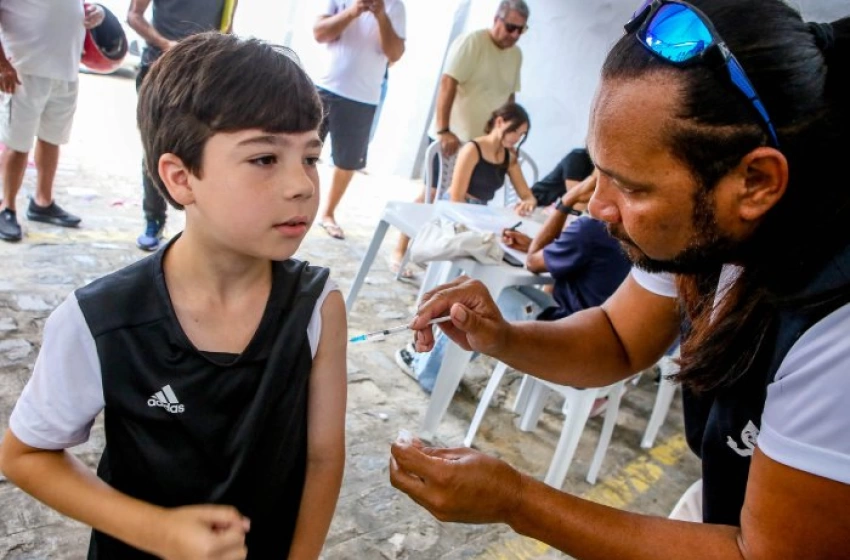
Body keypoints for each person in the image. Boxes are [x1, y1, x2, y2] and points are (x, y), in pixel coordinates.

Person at [390, 1, 850, 557]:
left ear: (755, 181)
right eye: (599, 173)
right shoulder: (709, 226)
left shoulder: (836, 330)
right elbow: (617, 335)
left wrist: (517, 502)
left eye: (631, 187)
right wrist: (502, 336)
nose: (600, 207)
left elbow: (759, 552)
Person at [0, 33, 347, 559]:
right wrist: (155, 531)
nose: (301, 185)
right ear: (181, 178)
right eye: (264, 159)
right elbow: (25, 454)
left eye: (311, 156)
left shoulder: (318, 307)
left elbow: (323, 458)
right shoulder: (101, 321)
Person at [397, 171, 631, 393]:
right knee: (507, 293)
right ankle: (434, 362)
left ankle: (429, 373)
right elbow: (559, 253)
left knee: (483, 297)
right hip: (596, 342)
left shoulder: (592, 228)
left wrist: (566, 202)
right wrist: (531, 243)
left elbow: (532, 262)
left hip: (565, 333)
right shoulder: (633, 234)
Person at [130, 0, 238, 251]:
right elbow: (135, 16)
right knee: (158, 149)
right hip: (160, 70)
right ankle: (153, 219)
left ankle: (207, 228)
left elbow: (227, 27)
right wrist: (167, 45)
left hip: (206, 77)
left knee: (209, 150)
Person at [390, 102, 537, 276]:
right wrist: (474, 224)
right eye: (514, 131)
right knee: (481, 244)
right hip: (455, 207)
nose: (516, 138)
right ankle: (402, 253)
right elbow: (456, 197)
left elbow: (527, 195)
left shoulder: (509, 157)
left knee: (502, 243)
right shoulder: (472, 149)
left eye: (521, 135)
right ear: (499, 122)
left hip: (481, 211)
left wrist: (528, 202)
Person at [0, 1, 104, 242]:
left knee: (53, 139)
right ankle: (7, 206)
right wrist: (3, 65)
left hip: (66, 69)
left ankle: (42, 202)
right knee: (17, 143)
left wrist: (96, 12)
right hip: (23, 69)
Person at [312, 0, 406, 240]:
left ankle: (328, 213)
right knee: (303, 150)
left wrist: (381, 15)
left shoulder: (395, 6)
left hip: (363, 96)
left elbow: (395, 54)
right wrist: (353, 11)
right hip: (323, 85)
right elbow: (319, 33)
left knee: (348, 162)